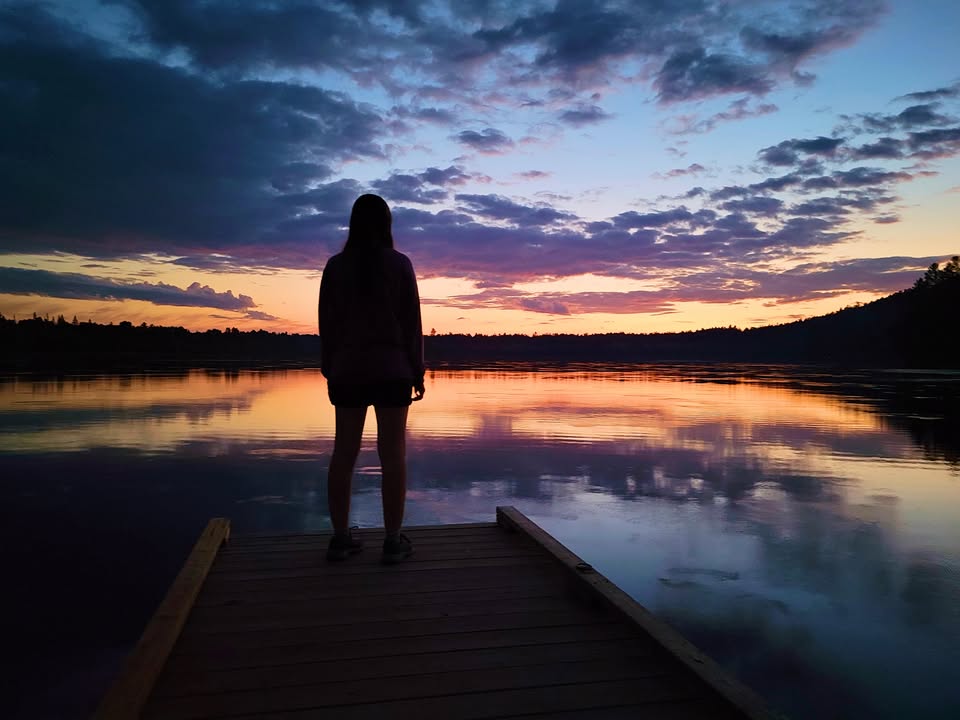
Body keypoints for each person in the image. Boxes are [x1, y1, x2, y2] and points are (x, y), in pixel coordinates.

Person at [319, 194, 425, 564]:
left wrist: (330, 367)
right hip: (392, 370)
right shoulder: (399, 264)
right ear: (386, 225)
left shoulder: (336, 266)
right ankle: (393, 542)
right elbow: (411, 323)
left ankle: (340, 539)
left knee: (343, 453)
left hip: (348, 370)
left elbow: (327, 324)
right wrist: (417, 370)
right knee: (393, 454)